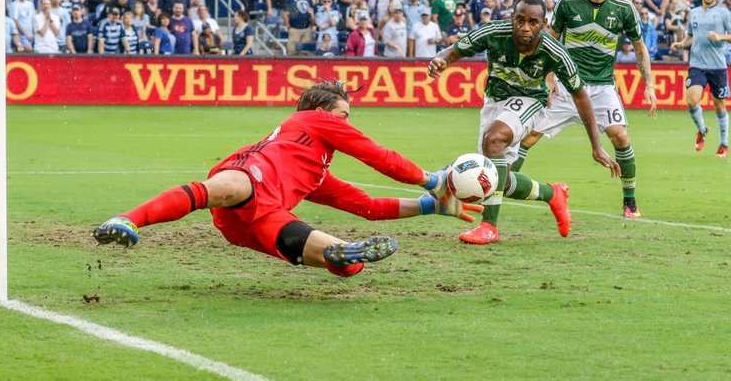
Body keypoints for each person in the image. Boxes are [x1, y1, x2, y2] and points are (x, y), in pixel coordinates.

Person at [93, 81, 480, 277]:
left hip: (262, 218)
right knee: (231, 186)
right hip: (250, 177)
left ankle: (342, 256)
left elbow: (368, 206)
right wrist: (431, 179)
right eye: (342, 115)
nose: (346, 123)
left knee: (345, 264)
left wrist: (433, 206)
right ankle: (126, 219)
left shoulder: (315, 173)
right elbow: (379, 157)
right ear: (319, 110)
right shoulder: (312, 120)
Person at [428, 0, 619, 244]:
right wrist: (440, 61)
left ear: (544, 23)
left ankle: (489, 227)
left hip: (530, 100)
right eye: (520, 20)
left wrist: (596, 145)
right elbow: (453, 50)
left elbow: (581, 96)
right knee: (498, 179)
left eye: (533, 22)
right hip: (494, 100)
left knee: (494, 138)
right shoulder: (494, 32)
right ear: (512, 18)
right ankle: (552, 193)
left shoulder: (555, 52)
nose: (525, 27)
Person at [514, 0, 657, 219]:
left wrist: (648, 84)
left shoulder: (624, 8)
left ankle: (630, 202)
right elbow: (549, 40)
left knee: (621, 137)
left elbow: (639, 48)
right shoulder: (568, 3)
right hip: (567, 85)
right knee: (527, 136)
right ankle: (501, 185)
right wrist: (547, 79)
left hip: (602, 88)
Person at [670, 0, 731, 158]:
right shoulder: (694, 13)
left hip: (718, 66)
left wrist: (719, 37)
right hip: (697, 64)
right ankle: (702, 130)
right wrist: (681, 44)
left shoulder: (724, 13)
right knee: (691, 99)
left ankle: (723, 143)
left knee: (719, 106)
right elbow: (691, 36)